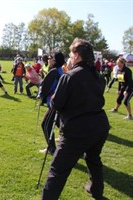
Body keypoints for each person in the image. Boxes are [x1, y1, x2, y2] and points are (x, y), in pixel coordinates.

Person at [41, 38, 110, 200]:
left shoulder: (69, 76)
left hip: (77, 130)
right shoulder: (98, 76)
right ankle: (96, 190)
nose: (69, 58)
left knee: (57, 170)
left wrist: (52, 95)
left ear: (77, 56)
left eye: (71, 54)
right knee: (93, 159)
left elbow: (56, 104)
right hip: (99, 127)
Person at [38, 53, 64, 155]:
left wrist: (41, 95)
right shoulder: (59, 70)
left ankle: (51, 148)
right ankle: (76, 147)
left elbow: (49, 87)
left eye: (50, 58)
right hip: (57, 102)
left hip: (54, 103)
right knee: (61, 125)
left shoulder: (54, 71)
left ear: (55, 60)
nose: (48, 59)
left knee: (45, 124)